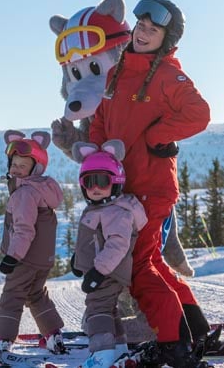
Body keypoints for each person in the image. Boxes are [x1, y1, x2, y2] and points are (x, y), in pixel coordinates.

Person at [89, 0, 214, 368]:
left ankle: (175, 345)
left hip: (151, 186)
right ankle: (196, 332)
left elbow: (200, 113)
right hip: (124, 186)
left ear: (166, 38)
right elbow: (102, 117)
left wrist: (158, 135)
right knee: (152, 262)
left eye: (153, 29)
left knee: (140, 269)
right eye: (141, 25)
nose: (143, 32)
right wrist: (97, 153)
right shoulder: (119, 71)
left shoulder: (167, 75)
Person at [71, 140, 147, 368]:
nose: (95, 187)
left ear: (115, 182)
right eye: (89, 182)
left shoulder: (116, 211)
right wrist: (79, 260)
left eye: (102, 181)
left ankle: (101, 355)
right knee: (108, 309)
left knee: (97, 309)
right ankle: (118, 349)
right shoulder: (100, 208)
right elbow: (93, 241)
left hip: (108, 272)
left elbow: (117, 244)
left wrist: (97, 271)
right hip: (104, 270)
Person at [0, 130, 66, 363]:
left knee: (12, 296)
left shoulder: (24, 193)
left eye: (22, 166)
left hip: (24, 257)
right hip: (42, 259)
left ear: (35, 169)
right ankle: (53, 335)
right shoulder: (43, 189)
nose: (15, 169)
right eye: (14, 164)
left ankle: (3, 340)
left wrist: (12, 257)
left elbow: (25, 230)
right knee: (35, 294)